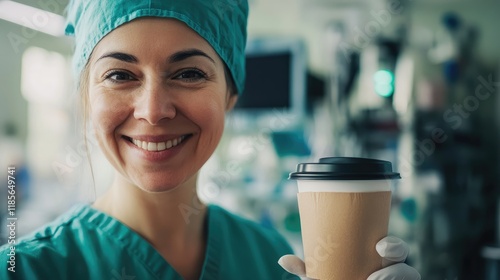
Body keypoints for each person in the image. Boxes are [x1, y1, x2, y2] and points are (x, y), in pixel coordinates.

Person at [0, 0, 420, 279]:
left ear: (230, 96)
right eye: (119, 75)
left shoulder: (268, 257)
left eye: (188, 73)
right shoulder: (26, 269)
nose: (153, 109)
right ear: (85, 98)